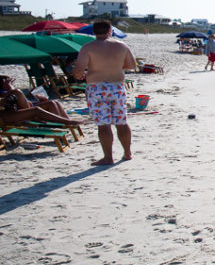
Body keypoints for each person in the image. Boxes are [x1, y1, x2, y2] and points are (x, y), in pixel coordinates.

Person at [72, 20, 137, 165]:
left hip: (97, 88)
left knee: (104, 124)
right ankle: (127, 153)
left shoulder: (88, 47)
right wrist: (116, 66)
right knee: (121, 122)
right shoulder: (121, 46)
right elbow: (132, 65)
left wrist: (79, 75)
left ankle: (108, 157)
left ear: (94, 32)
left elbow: (78, 70)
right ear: (110, 31)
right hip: (117, 86)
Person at [0, 75, 81, 128]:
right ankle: (67, 122)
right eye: (5, 82)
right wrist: (9, 87)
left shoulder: (6, 92)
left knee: (52, 103)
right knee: (35, 109)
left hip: (19, 110)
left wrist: (35, 102)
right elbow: (6, 101)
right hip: (7, 116)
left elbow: (19, 101)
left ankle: (66, 125)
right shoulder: (9, 92)